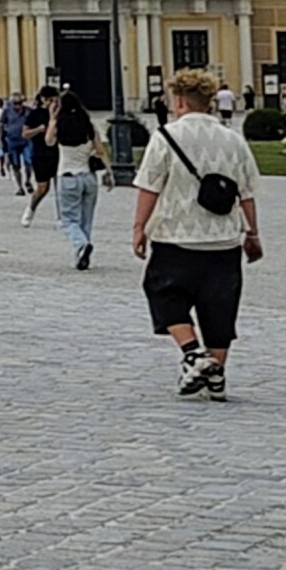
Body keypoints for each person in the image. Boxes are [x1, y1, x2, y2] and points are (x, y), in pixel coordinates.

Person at [130, 65, 265, 398]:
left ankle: (193, 353)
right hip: (223, 240)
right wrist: (253, 235)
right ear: (210, 102)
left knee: (164, 294)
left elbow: (150, 187)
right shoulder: (234, 140)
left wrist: (139, 228)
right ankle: (216, 375)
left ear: (179, 102)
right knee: (219, 307)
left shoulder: (164, 137)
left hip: (176, 236)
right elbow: (245, 193)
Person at [39, 85, 102, 266]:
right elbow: (100, 150)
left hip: (68, 177)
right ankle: (81, 253)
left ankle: (81, 244)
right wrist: (110, 173)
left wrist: (52, 118)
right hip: (88, 178)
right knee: (86, 219)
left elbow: (49, 141)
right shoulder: (88, 126)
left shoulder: (60, 125)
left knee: (67, 220)